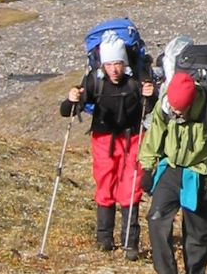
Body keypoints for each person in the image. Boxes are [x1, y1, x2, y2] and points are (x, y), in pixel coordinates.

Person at [137, 69, 207, 274]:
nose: (176, 113)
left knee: (197, 233)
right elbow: (154, 136)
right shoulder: (165, 105)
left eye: (181, 111)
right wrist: (147, 168)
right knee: (156, 218)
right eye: (174, 109)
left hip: (199, 172)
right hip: (171, 168)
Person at [61, 31, 155, 257]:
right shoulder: (94, 81)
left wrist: (150, 96)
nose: (114, 69)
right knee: (105, 183)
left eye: (118, 64)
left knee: (131, 186)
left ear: (125, 63)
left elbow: (151, 108)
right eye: (109, 64)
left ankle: (129, 242)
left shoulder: (136, 82)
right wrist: (71, 99)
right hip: (104, 139)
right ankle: (104, 239)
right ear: (102, 64)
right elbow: (67, 111)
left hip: (133, 138)